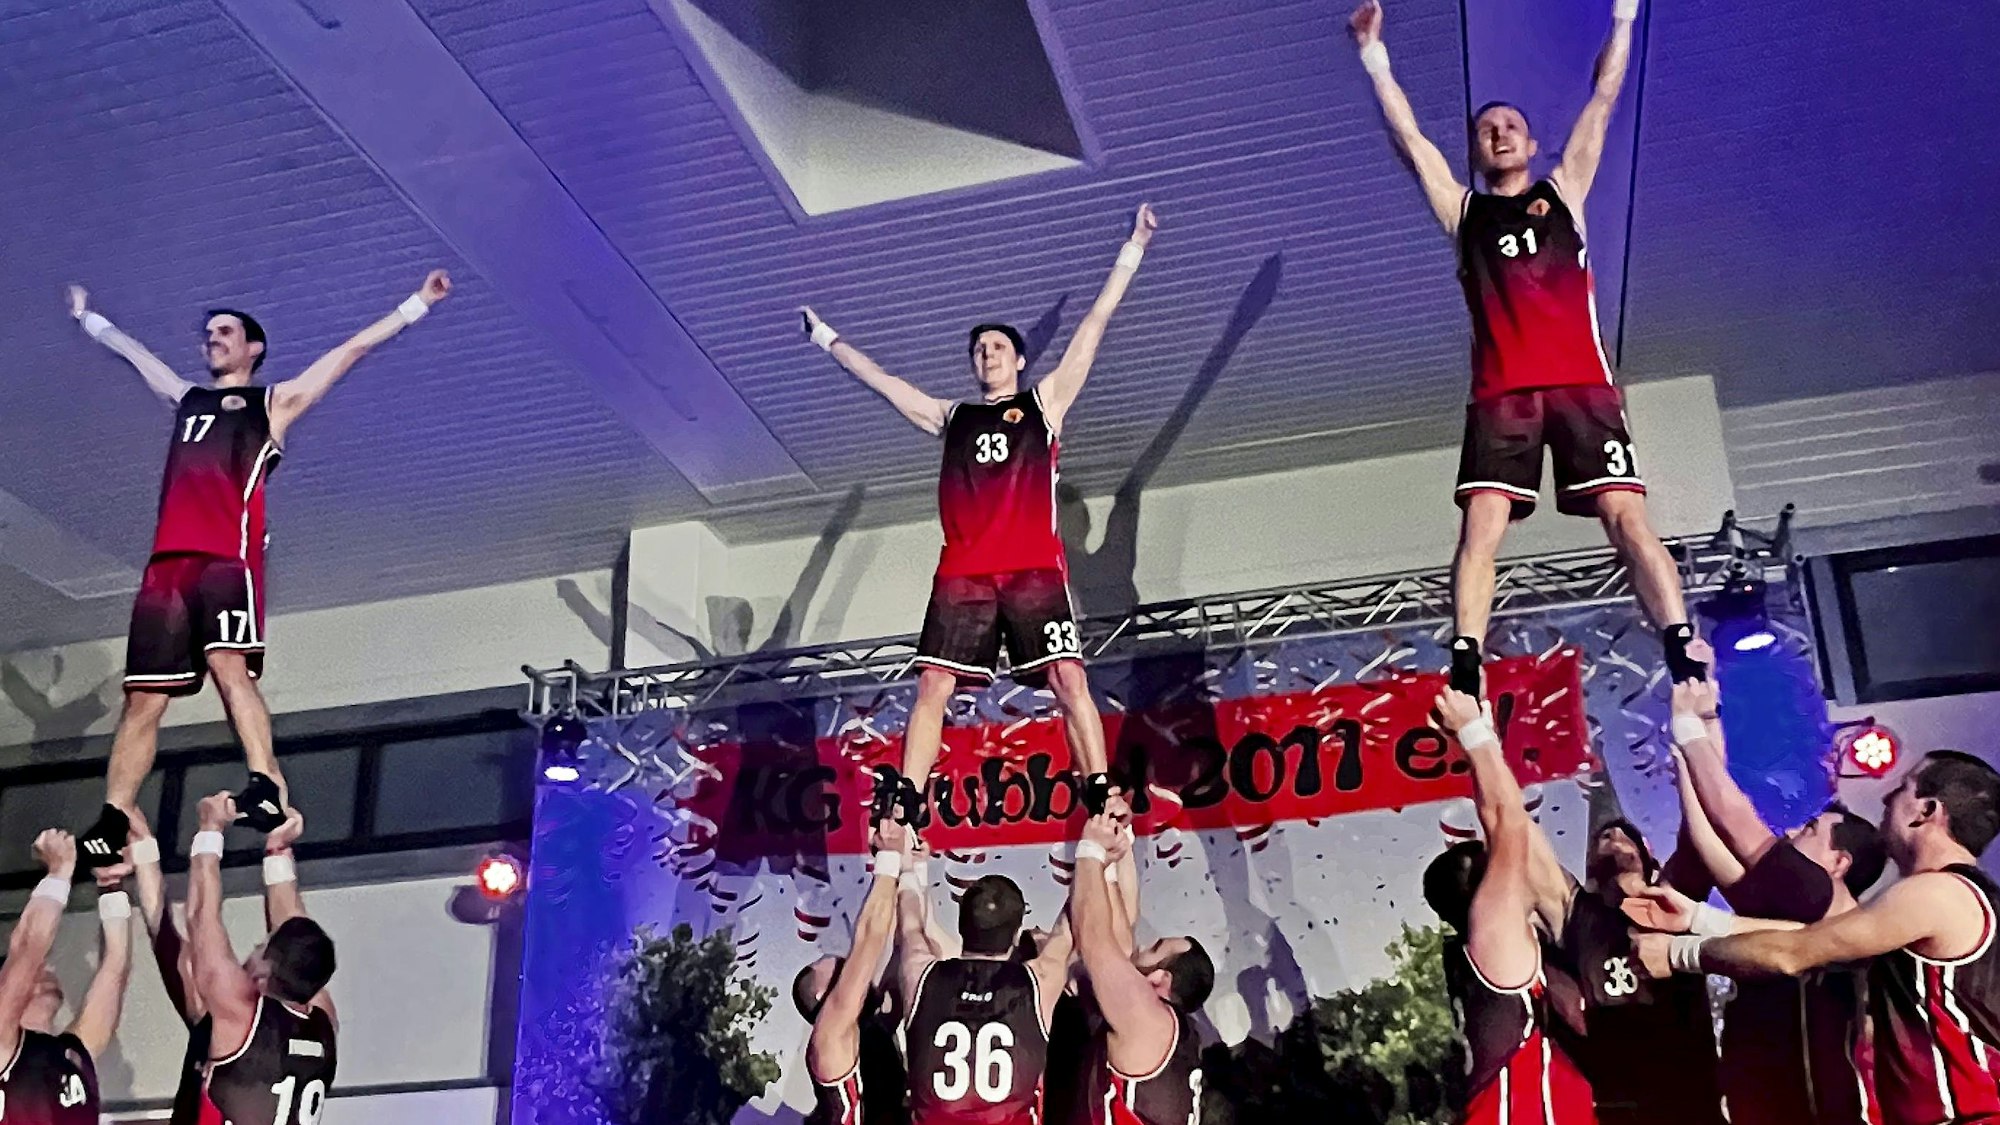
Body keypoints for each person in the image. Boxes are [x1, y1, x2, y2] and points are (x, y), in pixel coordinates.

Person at [1347, 0, 1705, 695]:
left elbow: (1604, 95)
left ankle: (1679, 640)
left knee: (1626, 516)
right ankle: (1466, 656)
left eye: (1510, 125)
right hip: (1502, 394)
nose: (1499, 132)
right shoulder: (1463, 211)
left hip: (1582, 387)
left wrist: (1625, 19)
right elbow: (1410, 137)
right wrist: (1373, 56)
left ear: (1532, 144)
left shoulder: (1564, 190)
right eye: (1486, 129)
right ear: (1477, 151)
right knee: (1481, 524)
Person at [66, 272, 453, 868]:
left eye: (225, 332)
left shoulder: (274, 402)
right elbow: (136, 357)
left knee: (229, 668)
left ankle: (265, 782)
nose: (212, 339)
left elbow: (350, 351)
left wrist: (417, 304)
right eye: (208, 333)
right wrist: (92, 321)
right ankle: (116, 813)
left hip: (226, 558)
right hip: (166, 568)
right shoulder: (188, 399)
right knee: (142, 698)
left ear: (255, 348)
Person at [800, 205, 1160, 824]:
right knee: (933, 687)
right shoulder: (951, 416)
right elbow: (883, 382)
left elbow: (1094, 326)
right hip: (964, 574)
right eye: (978, 350)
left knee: (1069, 681)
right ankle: (909, 799)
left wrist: (1134, 247)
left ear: (1018, 360)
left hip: (1032, 573)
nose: (986, 354)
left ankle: (1098, 787)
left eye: (997, 346)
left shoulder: (1044, 405)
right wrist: (827, 338)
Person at [1634, 750, 2000, 1125]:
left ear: (1926, 811)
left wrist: (1679, 953)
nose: (1886, 797)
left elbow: (1794, 952)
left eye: (1902, 789)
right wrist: (1699, 918)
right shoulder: (1949, 899)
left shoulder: (1938, 894)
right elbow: (1814, 938)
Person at [1623, 678, 1886, 1125]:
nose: (1788, 832)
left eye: (1809, 831)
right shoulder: (1798, 912)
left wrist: (1691, 729)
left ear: (1840, 861)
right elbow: (1710, 840)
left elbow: (1732, 816)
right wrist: (1690, 755)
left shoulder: (1819, 893)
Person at [1424, 690, 1596, 1124]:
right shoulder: (1494, 938)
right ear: (1482, 891)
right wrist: (1472, 731)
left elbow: (1497, 820)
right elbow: (1509, 825)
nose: (1511, 870)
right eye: (1492, 865)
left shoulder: (1500, 949)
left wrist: (1484, 749)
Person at [171, 794, 338, 1125]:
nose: (255, 946)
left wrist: (209, 828)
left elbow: (201, 916)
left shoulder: (241, 1014)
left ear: (265, 974)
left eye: (261, 947)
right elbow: (296, 936)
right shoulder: (323, 1023)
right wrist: (278, 851)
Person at [897, 862, 1074, 1125]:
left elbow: (910, 927)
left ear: (961, 926)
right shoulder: (1038, 981)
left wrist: (911, 865)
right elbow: (1070, 928)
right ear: (1016, 936)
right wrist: (1095, 854)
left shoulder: (922, 975)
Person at [1071, 812, 1214, 1125]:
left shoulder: (1150, 1023)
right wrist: (1112, 860)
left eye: (1155, 948)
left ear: (1161, 978)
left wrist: (1091, 850)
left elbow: (1095, 941)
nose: (1144, 947)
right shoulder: (1173, 1032)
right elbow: (1119, 944)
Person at [0, 830, 129, 1124]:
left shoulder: (69, 1054)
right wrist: (58, 872)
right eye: (37, 969)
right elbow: (26, 949)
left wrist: (111, 885)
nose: (47, 969)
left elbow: (115, 968)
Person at [793, 818, 916, 1125]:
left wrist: (911, 871)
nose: (851, 969)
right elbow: (870, 940)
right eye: (840, 969)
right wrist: (888, 860)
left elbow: (903, 959)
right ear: (823, 997)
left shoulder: (871, 1031)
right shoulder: (830, 1037)